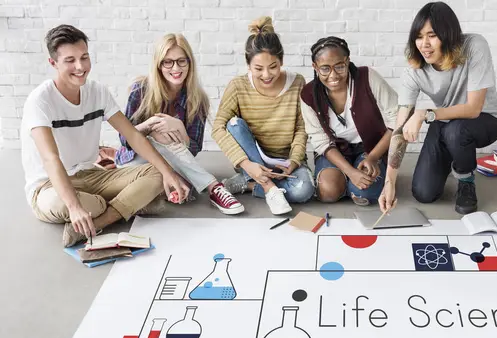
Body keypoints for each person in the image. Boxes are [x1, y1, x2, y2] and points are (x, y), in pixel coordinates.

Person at [20, 24, 190, 247]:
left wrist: (168, 173)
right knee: (71, 204)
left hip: (91, 175)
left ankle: (102, 219)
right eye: (70, 60)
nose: (80, 66)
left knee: (158, 174)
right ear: (53, 63)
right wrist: (74, 207)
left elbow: (133, 135)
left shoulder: (97, 92)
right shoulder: (40, 100)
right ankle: (123, 205)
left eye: (84, 57)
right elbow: (51, 159)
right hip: (49, 186)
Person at [380, 1, 497, 215]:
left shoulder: (475, 46)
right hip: (444, 122)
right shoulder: (414, 70)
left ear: (448, 35)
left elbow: (474, 109)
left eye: (432, 35)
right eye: (419, 37)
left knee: (456, 131)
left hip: (485, 119)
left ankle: (466, 179)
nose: (424, 44)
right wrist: (389, 181)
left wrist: (425, 114)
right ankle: (453, 155)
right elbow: (400, 127)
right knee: (424, 193)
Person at [114, 33, 244, 215]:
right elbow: (124, 139)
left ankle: (165, 186)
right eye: (168, 62)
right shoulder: (141, 90)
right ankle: (214, 187)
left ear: (189, 63)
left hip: (172, 162)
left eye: (182, 61)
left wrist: (181, 129)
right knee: (159, 131)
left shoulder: (198, 100)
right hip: (135, 162)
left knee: (180, 186)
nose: (176, 68)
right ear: (158, 65)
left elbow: (193, 150)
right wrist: (150, 124)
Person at [212, 16, 315, 215]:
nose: (267, 75)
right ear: (248, 64)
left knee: (304, 191)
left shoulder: (298, 83)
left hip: (285, 161)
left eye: (273, 66)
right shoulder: (238, 86)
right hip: (254, 159)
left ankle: (248, 185)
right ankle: (267, 187)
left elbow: (302, 128)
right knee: (233, 124)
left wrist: (293, 162)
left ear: (282, 61)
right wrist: (248, 165)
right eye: (258, 68)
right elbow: (218, 128)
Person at [300, 36, 399, 205]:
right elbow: (320, 141)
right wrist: (350, 172)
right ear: (315, 67)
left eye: (339, 66)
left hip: (369, 148)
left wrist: (373, 157)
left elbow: (397, 119)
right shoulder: (308, 94)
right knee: (328, 193)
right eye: (325, 68)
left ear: (347, 61)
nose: (333, 75)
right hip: (334, 151)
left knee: (366, 193)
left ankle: (353, 183)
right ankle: (344, 180)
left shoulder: (368, 77)